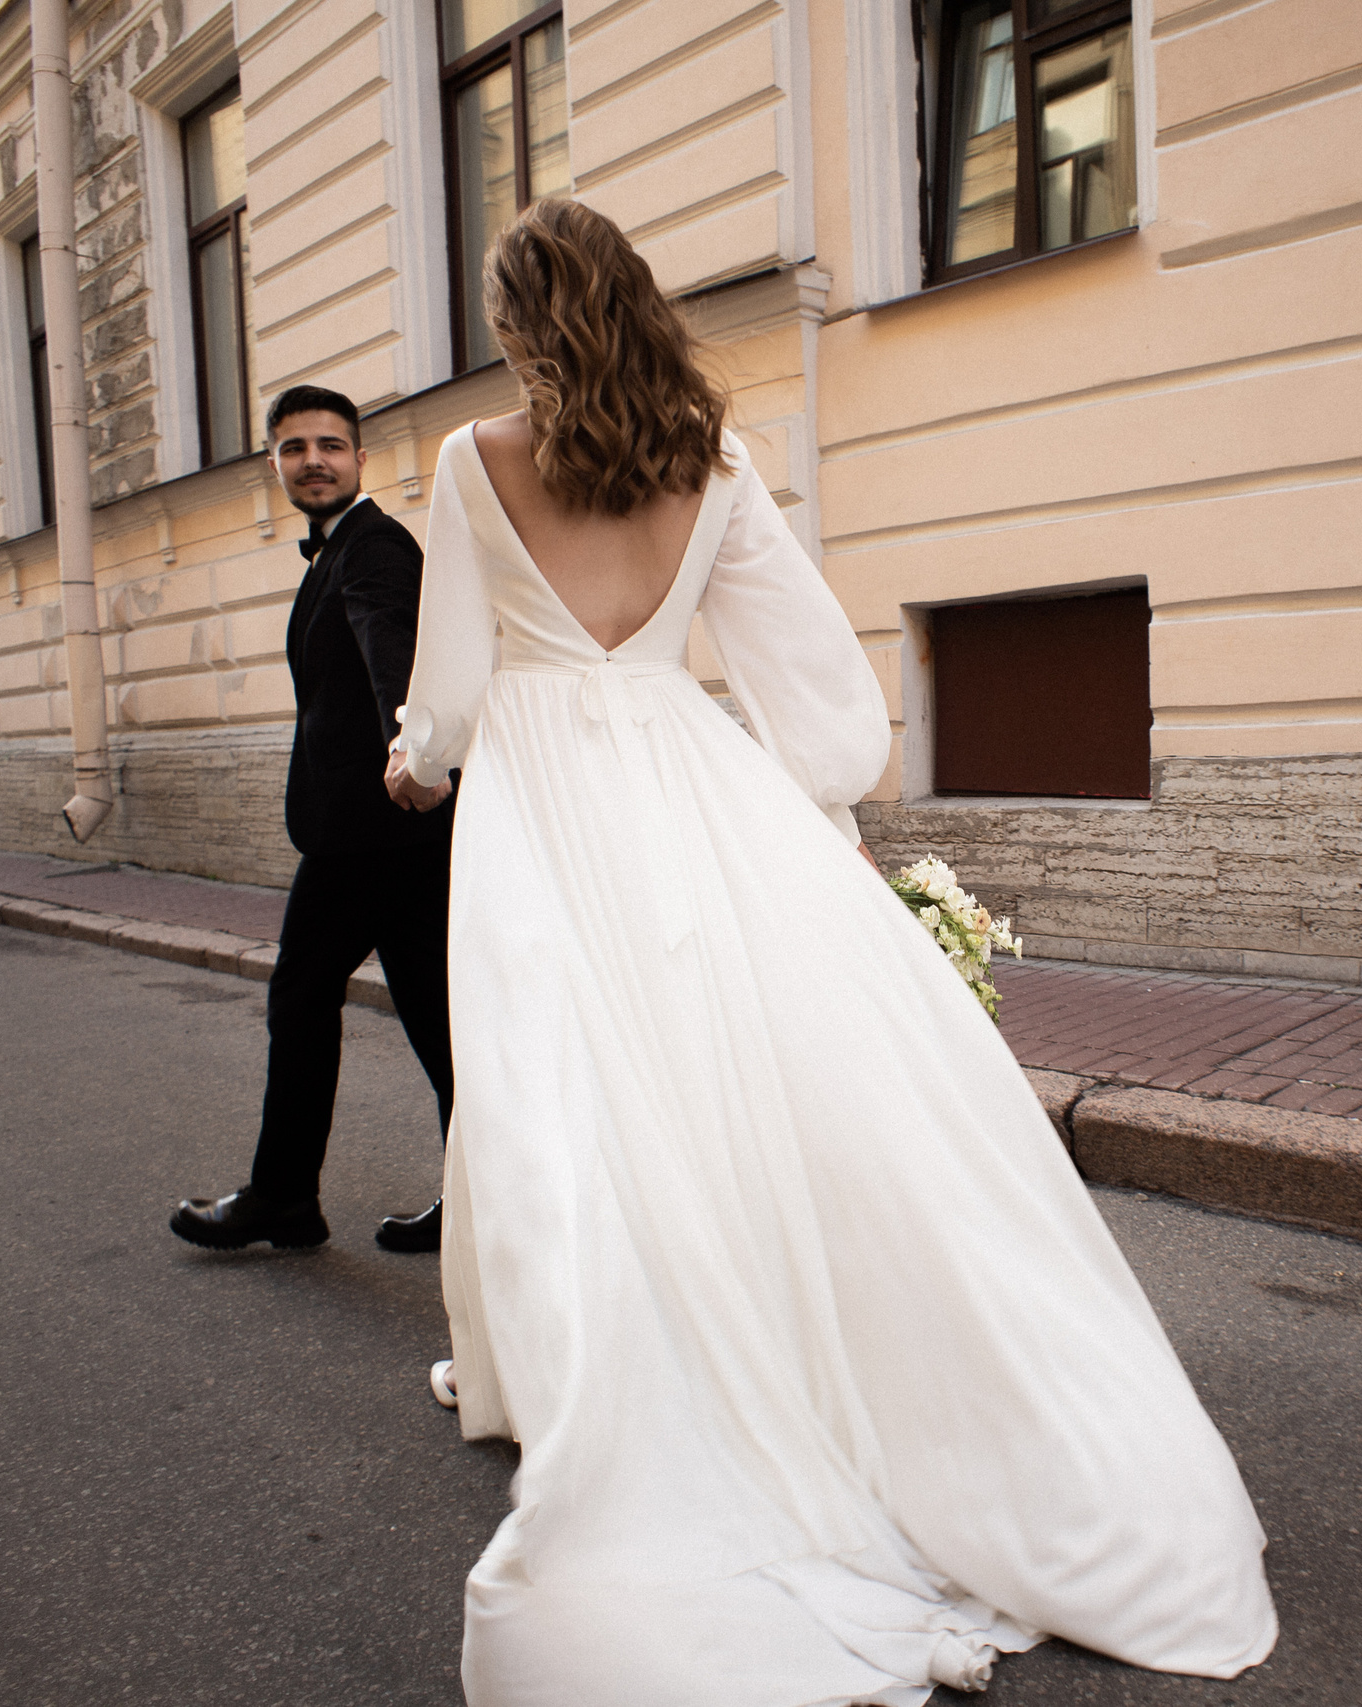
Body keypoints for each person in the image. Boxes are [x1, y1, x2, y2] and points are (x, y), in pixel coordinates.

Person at [391, 200, 1277, 1706]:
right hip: (690, 781)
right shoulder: (711, 458)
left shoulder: (474, 464)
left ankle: (587, 1379)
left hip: (541, 806)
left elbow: (457, 695)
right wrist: (816, 808)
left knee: (565, 1097)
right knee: (747, 1082)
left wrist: (418, 763)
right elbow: (824, 701)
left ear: (516, 324)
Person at [170, 386, 457, 1254]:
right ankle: (486, 1203)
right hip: (389, 834)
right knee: (444, 1028)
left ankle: (285, 1196)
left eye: (330, 444)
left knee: (305, 999)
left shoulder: (371, 549)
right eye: (295, 448)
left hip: (374, 829)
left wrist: (408, 752)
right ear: (274, 464)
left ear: (362, 458)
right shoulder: (340, 551)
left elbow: (391, 656)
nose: (314, 460)